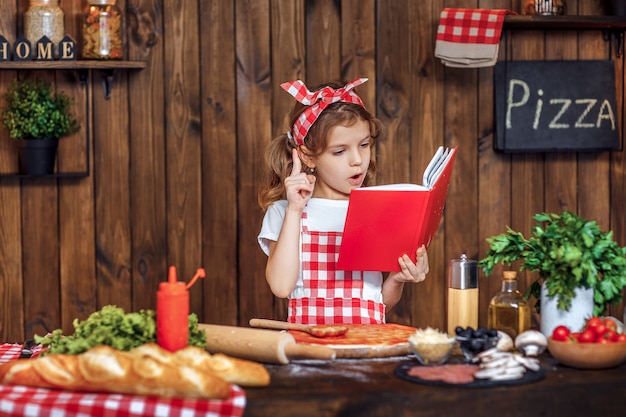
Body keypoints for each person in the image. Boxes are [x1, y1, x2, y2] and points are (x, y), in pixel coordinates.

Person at [257, 78, 429, 325]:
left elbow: (376, 305)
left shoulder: (376, 210)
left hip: (365, 350)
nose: (357, 160)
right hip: (309, 353)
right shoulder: (285, 212)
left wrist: (397, 279)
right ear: (307, 155)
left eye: (364, 145)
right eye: (340, 151)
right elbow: (281, 287)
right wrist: (295, 210)